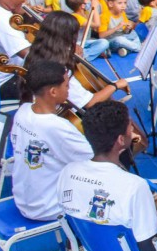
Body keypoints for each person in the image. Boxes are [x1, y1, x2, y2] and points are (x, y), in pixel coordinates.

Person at [58, 100, 157, 251]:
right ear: (120, 140)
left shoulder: (68, 172)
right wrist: (155, 213)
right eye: (129, 127)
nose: (132, 130)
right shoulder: (135, 186)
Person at [9, 59, 95, 222]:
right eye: (67, 86)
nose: (69, 90)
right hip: (49, 206)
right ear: (53, 92)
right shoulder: (57, 127)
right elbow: (94, 160)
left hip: (25, 199)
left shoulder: (23, 111)